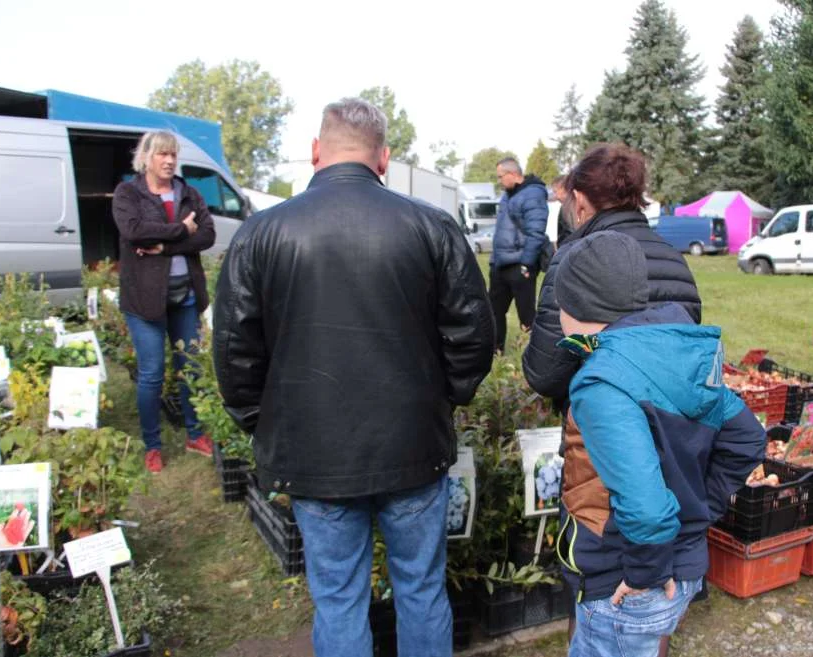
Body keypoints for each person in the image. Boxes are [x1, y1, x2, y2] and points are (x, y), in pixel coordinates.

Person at [212, 98, 495, 657]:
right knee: (420, 589)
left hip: (316, 452)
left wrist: (264, 423)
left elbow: (234, 352)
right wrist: (443, 400)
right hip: (411, 445)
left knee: (339, 598)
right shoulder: (430, 225)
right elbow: (474, 335)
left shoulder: (261, 232)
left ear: (316, 152)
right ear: (383, 158)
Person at [553, 230, 765, 657]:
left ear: (577, 306)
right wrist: (697, 515)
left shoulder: (601, 383)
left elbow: (647, 508)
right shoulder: (676, 354)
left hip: (627, 578)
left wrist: (646, 571)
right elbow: (747, 437)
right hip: (684, 567)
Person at [523, 143, 702, 405]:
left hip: (597, 428)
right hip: (670, 427)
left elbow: (544, 373)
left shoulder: (574, 259)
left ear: (580, 199)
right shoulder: (674, 257)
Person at [112, 130, 216, 473]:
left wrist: (166, 246)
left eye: (173, 154)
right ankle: (152, 445)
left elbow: (208, 235)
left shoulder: (189, 193)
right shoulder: (129, 193)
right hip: (144, 300)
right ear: (146, 158)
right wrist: (180, 231)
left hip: (185, 295)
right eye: (162, 155)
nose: (169, 161)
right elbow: (134, 232)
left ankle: (194, 433)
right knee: (152, 374)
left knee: (191, 369)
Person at [489, 157, 548, 352]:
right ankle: (497, 353)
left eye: (500, 176)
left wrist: (527, 264)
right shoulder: (507, 195)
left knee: (526, 315)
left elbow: (536, 233)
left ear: (513, 174)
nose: (499, 181)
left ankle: (535, 354)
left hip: (519, 265)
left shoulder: (532, 194)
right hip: (500, 264)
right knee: (494, 311)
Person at [552, 174, 574, 247]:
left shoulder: (569, 207)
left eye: (556, 191)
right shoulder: (566, 206)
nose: (555, 196)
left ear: (564, 189)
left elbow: (572, 233)